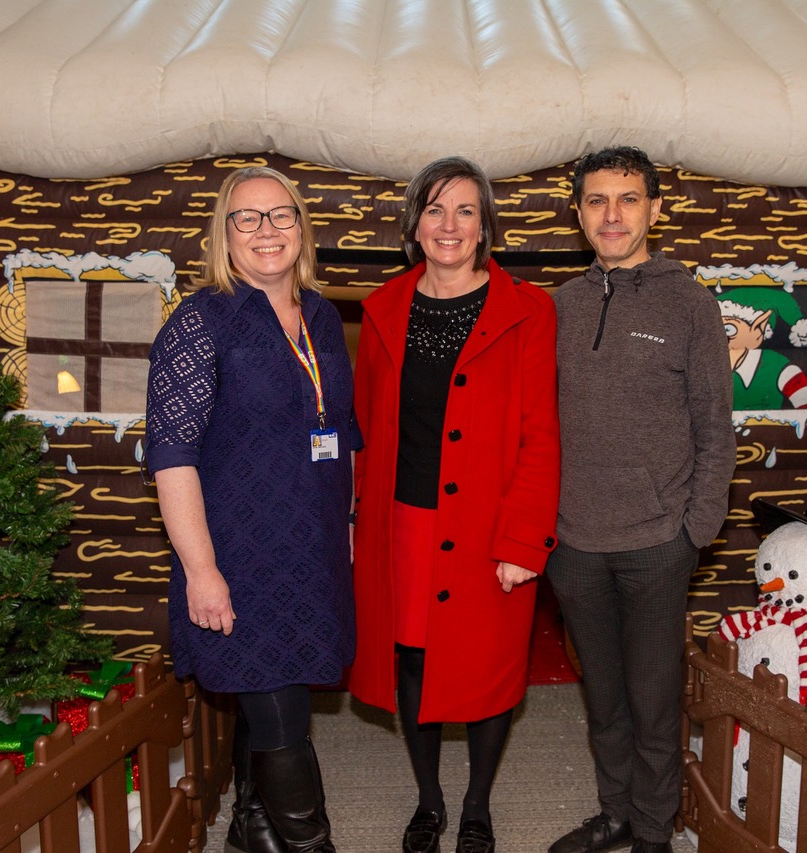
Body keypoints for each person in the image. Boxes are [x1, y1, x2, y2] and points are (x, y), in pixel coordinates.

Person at [145, 166, 360, 853]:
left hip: (312, 544)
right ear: (224, 233)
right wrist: (201, 570)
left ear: (302, 227)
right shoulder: (200, 322)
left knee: (272, 687)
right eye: (248, 218)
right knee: (282, 711)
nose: (267, 231)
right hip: (238, 552)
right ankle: (308, 842)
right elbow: (172, 456)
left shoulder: (322, 314)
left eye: (281, 215)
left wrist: (348, 525)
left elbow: (341, 429)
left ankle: (252, 826)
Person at [349, 156, 560, 853]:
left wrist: (523, 541)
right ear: (414, 224)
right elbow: (365, 422)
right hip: (402, 520)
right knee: (412, 657)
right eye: (435, 209)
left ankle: (477, 804)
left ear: (485, 227)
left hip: (490, 525)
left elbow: (539, 433)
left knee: (490, 664)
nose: (449, 225)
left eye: (465, 210)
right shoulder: (381, 310)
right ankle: (430, 799)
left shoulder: (529, 312)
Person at [545, 147, 736, 853]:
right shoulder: (557, 307)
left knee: (655, 704)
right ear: (579, 214)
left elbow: (716, 425)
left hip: (659, 541)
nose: (612, 214)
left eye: (628, 199)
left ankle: (654, 833)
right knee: (604, 699)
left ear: (655, 209)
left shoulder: (689, 302)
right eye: (597, 200)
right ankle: (618, 813)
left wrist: (696, 529)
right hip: (574, 546)